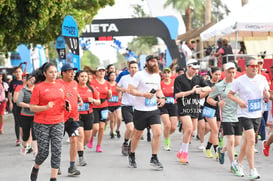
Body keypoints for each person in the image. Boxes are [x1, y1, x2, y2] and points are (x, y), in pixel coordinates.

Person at [228, 57, 269, 179]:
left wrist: (267, 95)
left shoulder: (262, 79)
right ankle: (252, 169)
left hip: (257, 113)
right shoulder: (239, 81)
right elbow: (230, 95)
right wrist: (239, 101)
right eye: (252, 66)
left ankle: (237, 163)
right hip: (244, 113)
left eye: (257, 66)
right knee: (251, 139)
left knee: (247, 141)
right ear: (246, 67)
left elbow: (266, 93)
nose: (255, 68)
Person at [127, 55, 166, 170]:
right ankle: (132, 154)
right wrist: (144, 94)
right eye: (153, 61)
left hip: (153, 109)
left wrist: (162, 98)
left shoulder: (157, 76)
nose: (155, 64)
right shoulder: (139, 75)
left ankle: (154, 157)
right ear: (147, 62)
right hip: (140, 110)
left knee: (158, 132)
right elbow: (130, 90)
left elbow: (158, 90)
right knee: (137, 135)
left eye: (156, 62)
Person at [29, 62, 66, 181]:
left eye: (55, 72)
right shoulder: (39, 87)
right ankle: (36, 166)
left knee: (57, 150)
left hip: (58, 121)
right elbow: (32, 107)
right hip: (42, 122)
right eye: (51, 72)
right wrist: (45, 107)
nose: (54, 74)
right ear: (45, 73)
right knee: (44, 152)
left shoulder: (61, 85)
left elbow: (63, 101)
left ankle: (53, 178)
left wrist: (67, 106)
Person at [207, 62, 243, 175]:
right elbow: (209, 99)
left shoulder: (239, 83)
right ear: (225, 72)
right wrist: (218, 103)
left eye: (234, 72)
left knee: (237, 142)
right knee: (231, 142)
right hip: (226, 116)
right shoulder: (219, 85)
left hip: (239, 115)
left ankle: (221, 150)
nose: (232, 74)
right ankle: (233, 165)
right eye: (229, 72)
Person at [174, 59, 211, 164]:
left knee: (191, 131)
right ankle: (185, 154)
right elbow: (177, 95)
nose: (195, 71)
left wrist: (201, 90)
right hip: (184, 106)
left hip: (194, 106)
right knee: (189, 128)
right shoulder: (179, 79)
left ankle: (181, 150)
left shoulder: (198, 78)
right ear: (188, 67)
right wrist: (191, 91)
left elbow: (209, 88)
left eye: (196, 69)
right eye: (193, 69)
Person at [57, 63, 82, 176]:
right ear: (63, 73)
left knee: (74, 139)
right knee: (57, 143)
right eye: (70, 71)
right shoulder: (57, 84)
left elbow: (75, 95)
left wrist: (80, 99)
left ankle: (72, 166)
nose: (73, 73)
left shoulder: (75, 83)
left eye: (73, 71)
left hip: (73, 118)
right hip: (59, 118)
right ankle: (56, 165)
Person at [75, 70, 100, 166]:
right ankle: (81, 158)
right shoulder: (75, 88)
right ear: (77, 78)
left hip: (89, 114)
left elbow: (98, 102)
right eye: (82, 76)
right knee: (80, 135)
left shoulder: (91, 88)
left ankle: (82, 146)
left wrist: (92, 100)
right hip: (77, 115)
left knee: (87, 136)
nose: (84, 78)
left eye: (85, 76)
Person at [87, 66, 112, 152]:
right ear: (96, 73)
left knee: (102, 127)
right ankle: (90, 138)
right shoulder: (92, 83)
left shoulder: (107, 83)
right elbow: (89, 93)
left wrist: (109, 93)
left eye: (103, 71)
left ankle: (99, 145)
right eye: (100, 71)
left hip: (104, 106)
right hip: (94, 106)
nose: (101, 73)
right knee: (96, 127)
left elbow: (109, 97)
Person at [116, 60, 139, 156]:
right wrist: (122, 90)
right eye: (132, 68)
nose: (133, 69)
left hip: (138, 107)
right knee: (130, 128)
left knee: (136, 130)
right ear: (129, 69)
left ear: (138, 69)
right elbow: (117, 87)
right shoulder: (124, 78)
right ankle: (125, 143)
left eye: (135, 67)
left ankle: (130, 145)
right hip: (127, 106)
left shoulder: (141, 79)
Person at [203, 67, 222, 159]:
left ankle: (207, 148)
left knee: (216, 129)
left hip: (219, 108)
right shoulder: (207, 83)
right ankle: (217, 150)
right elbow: (203, 94)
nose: (218, 76)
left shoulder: (222, 83)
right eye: (216, 74)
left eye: (219, 74)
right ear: (211, 73)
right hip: (208, 108)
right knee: (214, 130)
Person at [17, 74, 37, 158]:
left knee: (35, 134)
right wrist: (29, 106)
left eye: (33, 80)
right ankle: (25, 146)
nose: (32, 81)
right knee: (25, 135)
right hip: (25, 115)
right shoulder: (23, 90)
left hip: (35, 115)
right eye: (30, 80)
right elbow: (18, 102)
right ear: (27, 81)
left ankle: (35, 153)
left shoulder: (37, 89)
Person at [159, 67, 177, 151]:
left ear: (171, 74)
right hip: (163, 105)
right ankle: (167, 142)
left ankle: (166, 135)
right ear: (163, 74)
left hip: (173, 105)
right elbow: (157, 93)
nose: (166, 74)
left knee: (173, 127)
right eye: (165, 73)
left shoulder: (174, 83)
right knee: (167, 125)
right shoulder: (160, 83)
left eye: (168, 73)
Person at [8, 66, 23, 146]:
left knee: (25, 121)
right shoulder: (13, 83)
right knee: (17, 122)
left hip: (24, 104)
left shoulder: (24, 81)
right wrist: (10, 103)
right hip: (15, 105)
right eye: (16, 72)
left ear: (22, 72)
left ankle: (25, 138)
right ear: (14, 73)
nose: (18, 73)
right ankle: (18, 139)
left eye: (19, 71)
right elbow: (10, 93)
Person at [108, 71, 122, 139]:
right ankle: (112, 131)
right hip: (109, 104)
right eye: (112, 75)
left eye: (114, 75)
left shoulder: (118, 84)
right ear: (109, 77)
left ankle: (117, 129)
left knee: (119, 118)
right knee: (112, 120)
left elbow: (120, 93)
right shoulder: (107, 84)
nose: (113, 77)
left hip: (117, 103)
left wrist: (120, 96)